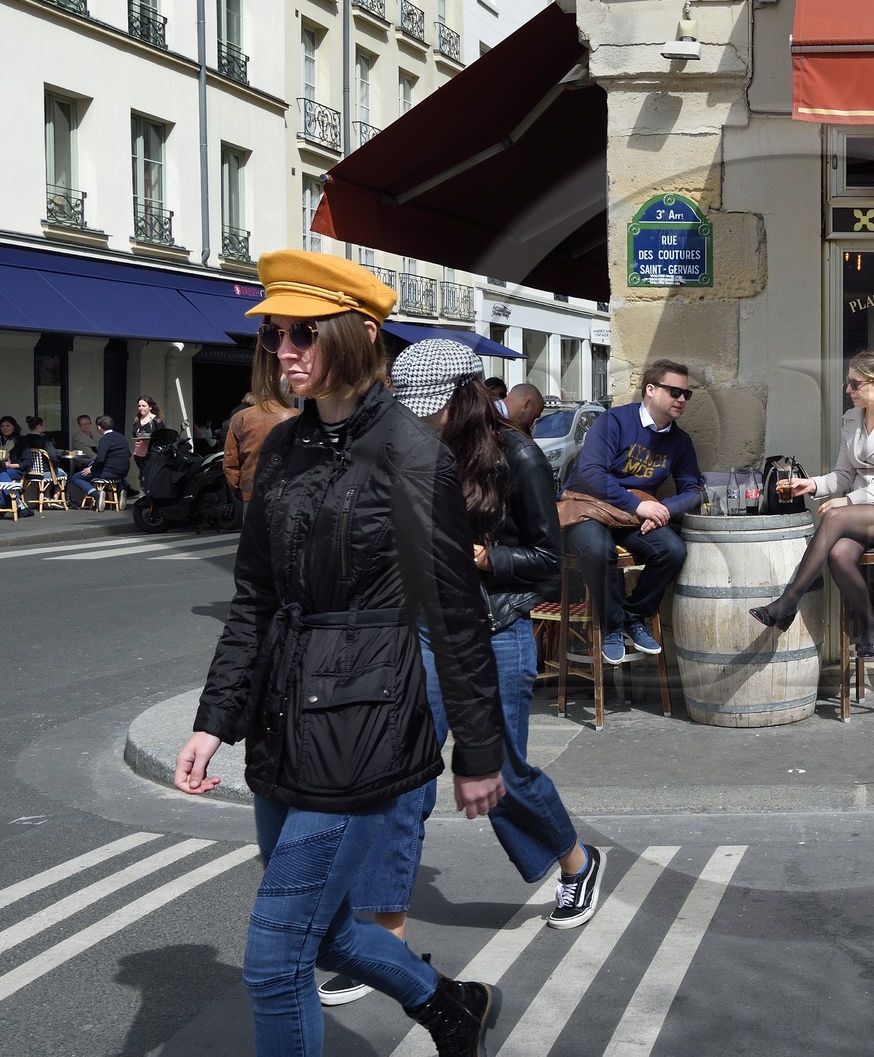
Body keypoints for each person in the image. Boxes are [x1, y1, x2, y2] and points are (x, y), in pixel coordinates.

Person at [170, 250, 508, 1057]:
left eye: (301, 334)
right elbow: (252, 600)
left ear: (359, 336)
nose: (282, 350)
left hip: (363, 730)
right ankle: (449, 1005)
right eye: (275, 335)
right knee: (319, 934)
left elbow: (455, 616)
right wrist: (213, 721)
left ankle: (446, 1006)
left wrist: (479, 750)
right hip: (282, 724)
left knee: (273, 960)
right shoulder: (282, 449)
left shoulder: (411, 454)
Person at [317, 342, 604, 1008]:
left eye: (430, 410)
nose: (419, 420)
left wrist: (486, 558)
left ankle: (577, 863)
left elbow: (542, 557)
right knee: (401, 783)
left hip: (494, 631)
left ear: (463, 395)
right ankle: (382, 944)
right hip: (417, 632)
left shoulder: (518, 456)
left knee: (502, 776)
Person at [749, 351, 874, 658]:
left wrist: (847, 500)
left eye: (855, 384)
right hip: (860, 513)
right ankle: (871, 625)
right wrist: (812, 484)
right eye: (848, 383)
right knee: (840, 555)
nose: (848, 390)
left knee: (834, 517)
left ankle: (787, 603)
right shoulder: (852, 418)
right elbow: (843, 475)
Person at [563, 358, 702, 666]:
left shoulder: (680, 441)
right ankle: (612, 626)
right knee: (599, 551)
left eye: (686, 394)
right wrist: (639, 504)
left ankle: (632, 618)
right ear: (650, 390)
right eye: (674, 392)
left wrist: (662, 510)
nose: (681, 399)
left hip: (632, 518)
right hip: (590, 508)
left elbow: (693, 490)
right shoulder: (615, 421)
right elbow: (590, 473)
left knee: (673, 551)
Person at [223, 391, 299, 501]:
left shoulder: (240, 417)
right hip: (287, 491)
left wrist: (237, 490)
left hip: (252, 491)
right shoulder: (296, 415)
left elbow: (230, 461)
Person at [69, 417, 130, 509]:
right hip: (123, 472)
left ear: (99, 427)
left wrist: (91, 469)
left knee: (76, 477)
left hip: (109, 472)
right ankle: (121, 492)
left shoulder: (104, 439)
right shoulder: (121, 437)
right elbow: (128, 454)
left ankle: (97, 496)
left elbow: (100, 459)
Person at [129, 395, 164, 485]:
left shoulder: (156, 420)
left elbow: (162, 436)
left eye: (143, 406)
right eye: (139, 406)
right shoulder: (137, 420)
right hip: (138, 454)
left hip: (151, 454)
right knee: (143, 476)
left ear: (150, 407)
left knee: (151, 476)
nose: (141, 408)